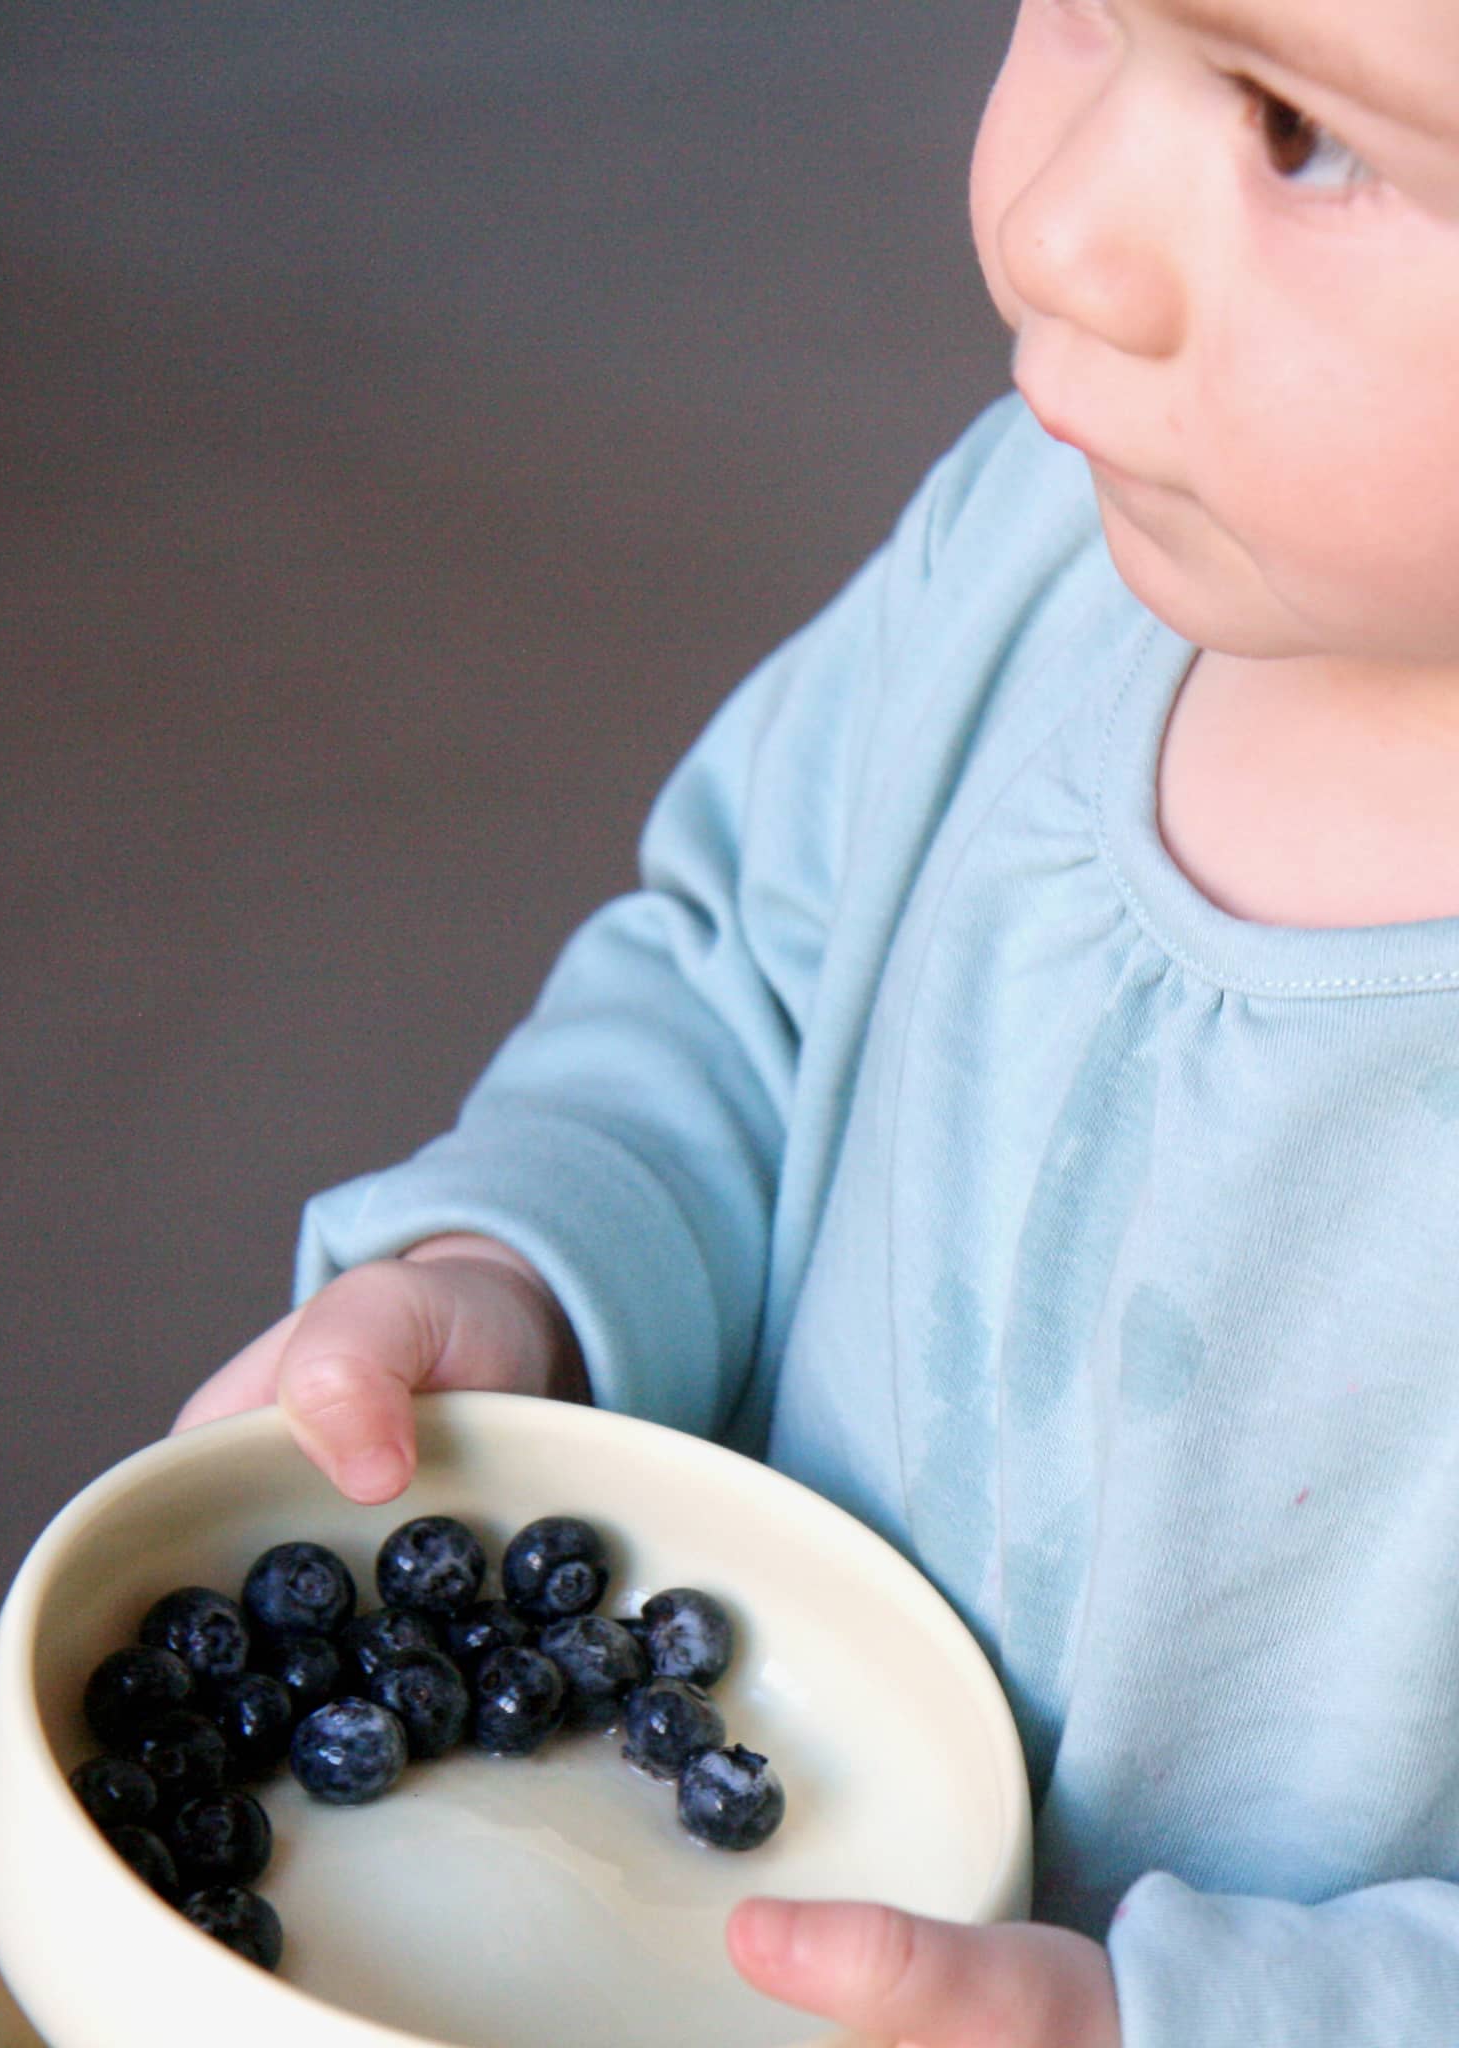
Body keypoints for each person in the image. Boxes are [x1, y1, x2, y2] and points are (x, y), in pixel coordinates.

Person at [176, 0, 1459, 2039]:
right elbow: (735, 979)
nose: (1062, 231)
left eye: (1301, 134)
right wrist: (524, 1267)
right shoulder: (1030, 548)